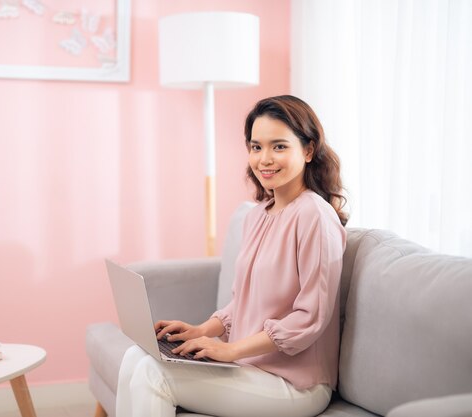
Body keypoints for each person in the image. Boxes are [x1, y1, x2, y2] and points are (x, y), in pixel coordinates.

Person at [116, 95, 348, 417]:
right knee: (135, 357)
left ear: (308, 150)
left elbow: (310, 318)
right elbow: (243, 302)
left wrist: (230, 350)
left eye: (279, 146)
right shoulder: (257, 216)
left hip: (295, 384)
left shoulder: (316, 217)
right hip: (249, 367)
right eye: (256, 147)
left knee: (154, 375)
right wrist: (202, 330)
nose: (264, 159)